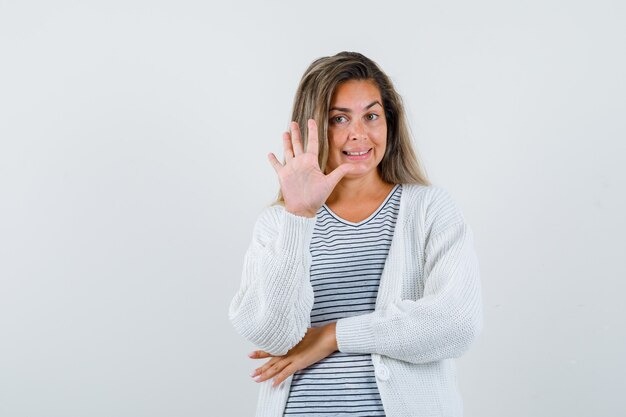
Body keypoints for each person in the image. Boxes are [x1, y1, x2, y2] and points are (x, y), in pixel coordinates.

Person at [228, 51, 483, 417]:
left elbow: (456, 324)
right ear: (313, 126)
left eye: (371, 115)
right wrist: (299, 217)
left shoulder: (429, 209)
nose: (358, 134)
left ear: (389, 123)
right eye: (339, 118)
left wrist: (333, 336)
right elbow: (272, 336)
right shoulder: (279, 224)